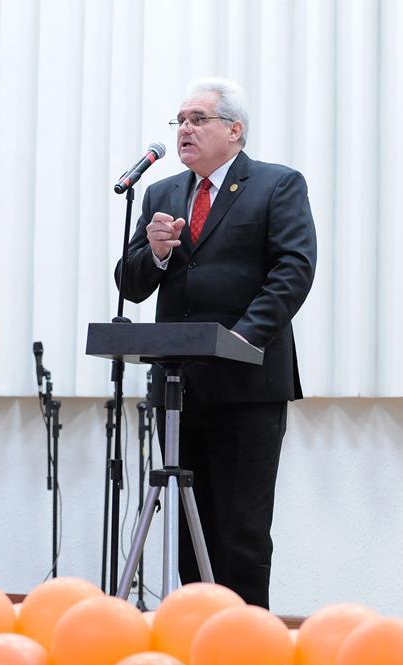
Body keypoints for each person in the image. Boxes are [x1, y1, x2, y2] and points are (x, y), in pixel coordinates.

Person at [116, 77, 317, 608]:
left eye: (197, 119)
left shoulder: (276, 185)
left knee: (241, 529)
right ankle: (196, 631)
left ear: (234, 130)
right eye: (180, 120)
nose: (184, 129)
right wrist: (156, 254)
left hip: (248, 383)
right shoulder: (161, 194)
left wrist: (238, 339)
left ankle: (246, 639)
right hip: (179, 388)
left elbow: (293, 271)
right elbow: (131, 285)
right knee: (188, 529)